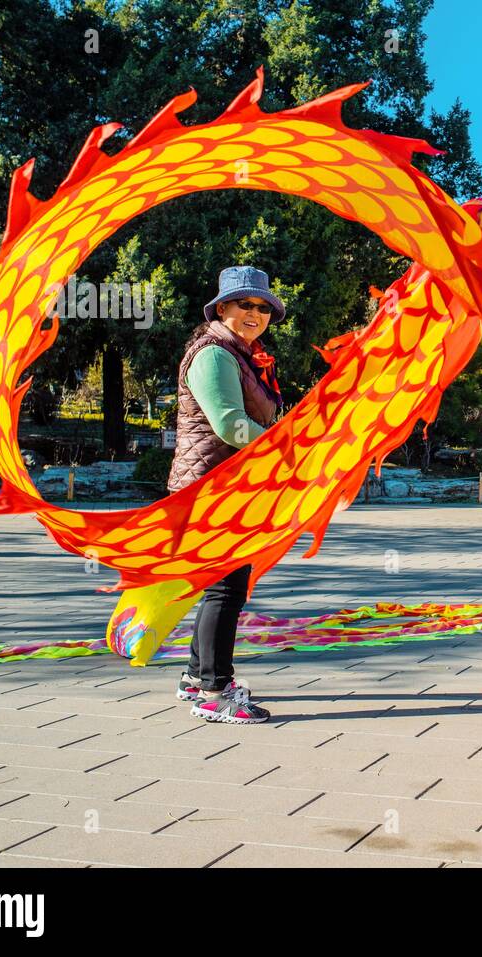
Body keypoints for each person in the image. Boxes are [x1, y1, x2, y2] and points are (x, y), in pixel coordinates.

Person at [168, 265, 286, 723]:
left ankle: (197, 675)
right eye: (245, 304)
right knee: (225, 588)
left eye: (263, 307)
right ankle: (215, 692)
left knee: (222, 586)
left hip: (228, 485)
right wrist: (284, 450)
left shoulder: (240, 355)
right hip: (211, 488)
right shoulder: (214, 355)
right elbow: (230, 425)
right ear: (222, 308)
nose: (255, 313)